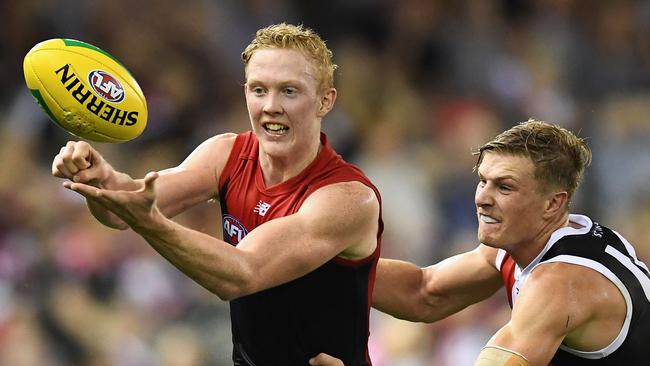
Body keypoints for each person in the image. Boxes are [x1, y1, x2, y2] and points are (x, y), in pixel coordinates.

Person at [52, 23, 383, 365]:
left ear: (325, 101)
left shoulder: (347, 198)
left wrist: (148, 221)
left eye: (289, 91)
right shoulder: (225, 155)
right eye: (258, 90)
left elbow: (242, 274)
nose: (270, 105)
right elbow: (123, 210)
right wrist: (100, 181)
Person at [313, 120, 650, 365]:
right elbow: (425, 292)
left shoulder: (558, 284)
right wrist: (320, 266)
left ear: (553, 203)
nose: (483, 198)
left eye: (504, 187)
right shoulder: (521, 243)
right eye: (483, 181)